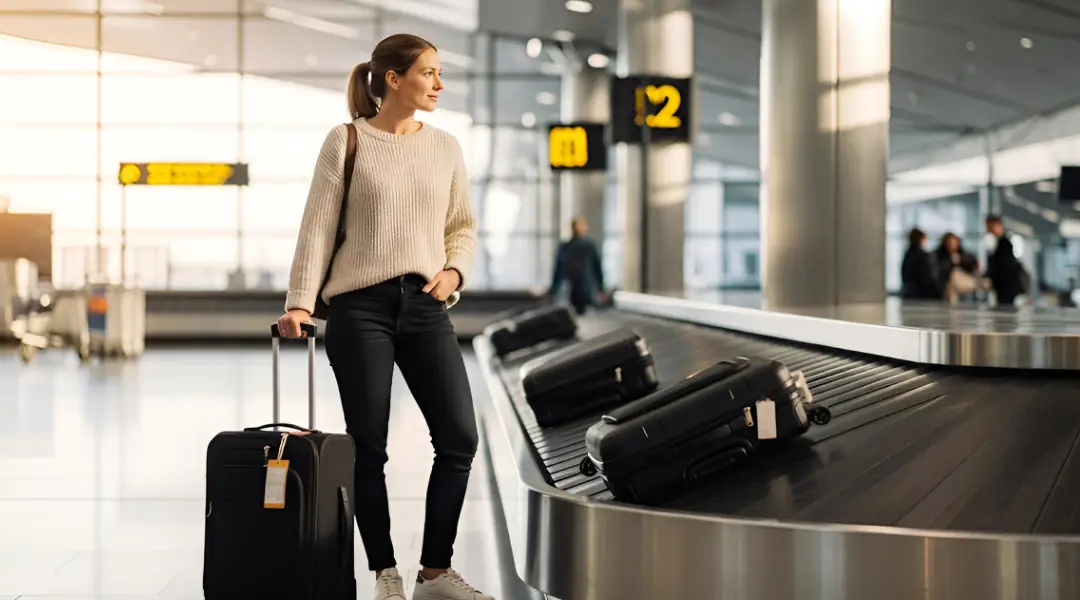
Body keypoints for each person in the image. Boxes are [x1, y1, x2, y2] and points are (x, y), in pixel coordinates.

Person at [276, 33, 493, 600]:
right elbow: (317, 227)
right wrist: (300, 301)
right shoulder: (345, 140)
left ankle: (436, 572)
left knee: (459, 438)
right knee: (368, 446)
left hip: (426, 305)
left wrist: (454, 273)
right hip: (359, 308)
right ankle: (385, 572)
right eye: (429, 73)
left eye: (439, 73)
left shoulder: (445, 146)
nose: (439, 85)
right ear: (393, 79)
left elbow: (461, 226)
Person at [547, 216, 606, 314]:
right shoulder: (580, 247)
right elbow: (558, 270)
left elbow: (597, 268)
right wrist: (601, 288)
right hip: (576, 290)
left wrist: (553, 291)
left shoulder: (585, 247)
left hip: (580, 290)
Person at [984, 214, 1025, 306]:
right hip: (1003, 286)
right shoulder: (998, 243)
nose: (988, 230)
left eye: (990, 227)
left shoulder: (1004, 244)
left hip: (1007, 286)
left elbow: (1004, 267)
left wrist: (989, 275)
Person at [934, 232, 981, 304]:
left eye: (953, 243)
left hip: (964, 287)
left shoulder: (964, 255)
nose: (951, 245)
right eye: (949, 243)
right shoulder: (938, 256)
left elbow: (973, 266)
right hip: (946, 287)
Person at [900, 227, 941, 300]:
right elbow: (926, 276)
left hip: (910, 290)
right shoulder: (923, 256)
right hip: (921, 291)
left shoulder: (908, 254)